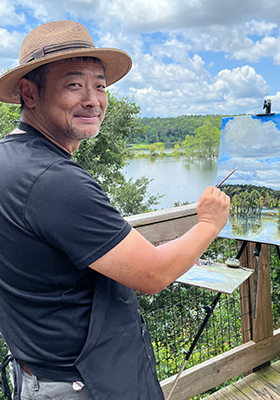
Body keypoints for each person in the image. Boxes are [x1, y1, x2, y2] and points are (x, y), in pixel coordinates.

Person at [0, 21, 230, 400]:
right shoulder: (53, 180)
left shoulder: (11, 158)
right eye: (74, 84)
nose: (93, 99)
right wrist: (209, 222)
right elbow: (152, 274)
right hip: (83, 382)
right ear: (29, 93)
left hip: (38, 371)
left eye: (100, 85)